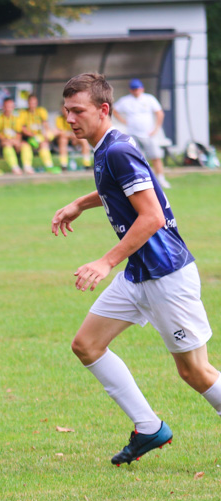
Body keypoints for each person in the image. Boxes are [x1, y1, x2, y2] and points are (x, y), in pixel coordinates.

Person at [52, 73, 221, 467]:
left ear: (103, 110)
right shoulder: (105, 148)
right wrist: (81, 202)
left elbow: (153, 216)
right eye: (66, 111)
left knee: (195, 372)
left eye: (78, 111)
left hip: (165, 275)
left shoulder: (116, 150)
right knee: (87, 345)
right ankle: (149, 428)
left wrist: (105, 260)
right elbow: (119, 189)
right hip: (138, 274)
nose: (70, 119)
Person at [112, 79, 171, 188]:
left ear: (142, 89)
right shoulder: (126, 101)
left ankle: (161, 179)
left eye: (138, 89)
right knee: (137, 158)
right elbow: (114, 110)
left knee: (155, 156)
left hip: (148, 133)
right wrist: (123, 121)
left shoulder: (149, 99)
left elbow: (159, 113)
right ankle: (142, 179)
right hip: (133, 133)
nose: (136, 91)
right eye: (134, 89)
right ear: (130, 90)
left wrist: (156, 128)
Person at [18, 94, 58, 173]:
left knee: (45, 143)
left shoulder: (41, 111)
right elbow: (23, 129)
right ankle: (27, 167)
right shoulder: (23, 113)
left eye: (34, 103)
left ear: (36, 103)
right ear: (28, 103)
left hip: (39, 137)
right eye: (31, 103)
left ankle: (49, 166)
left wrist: (47, 134)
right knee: (25, 146)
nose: (32, 105)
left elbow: (45, 125)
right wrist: (33, 136)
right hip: (28, 137)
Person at [53, 104, 92, 171]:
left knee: (84, 141)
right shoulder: (59, 118)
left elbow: (79, 130)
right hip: (65, 139)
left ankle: (87, 164)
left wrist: (71, 135)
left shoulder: (76, 118)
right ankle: (63, 165)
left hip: (74, 139)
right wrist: (70, 135)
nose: (65, 112)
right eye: (64, 110)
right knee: (63, 140)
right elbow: (59, 132)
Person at [0, 97, 24, 175]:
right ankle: (14, 167)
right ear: (3, 107)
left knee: (25, 145)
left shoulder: (16, 119)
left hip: (14, 141)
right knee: (7, 145)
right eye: (7, 106)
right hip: (4, 142)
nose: (8, 108)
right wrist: (5, 139)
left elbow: (19, 133)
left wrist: (16, 140)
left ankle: (27, 167)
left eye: (10, 106)